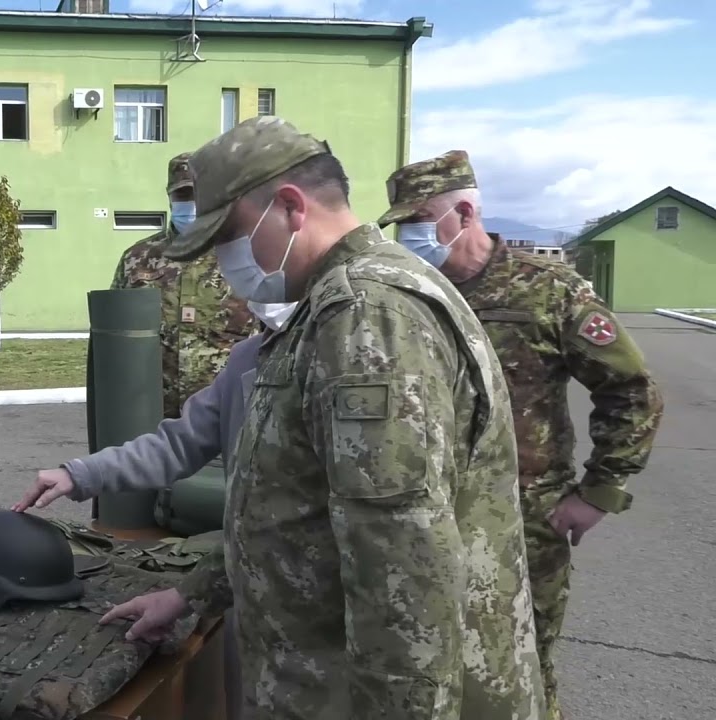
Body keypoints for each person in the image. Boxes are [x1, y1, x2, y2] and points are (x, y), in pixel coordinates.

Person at [101, 116, 546, 720]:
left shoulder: (367, 317)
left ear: (289, 207)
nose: (222, 262)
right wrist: (191, 593)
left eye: (227, 236)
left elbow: (404, 564)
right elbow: (288, 510)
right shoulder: (328, 308)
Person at [377, 150, 665, 720]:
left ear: (463, 212)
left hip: (524, 518)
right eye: (402, 223)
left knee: (524, 664)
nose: (409, 235)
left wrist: (599, 492)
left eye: (418, 219)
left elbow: (630, 390)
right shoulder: (405, 292)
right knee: (425, 664)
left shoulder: (547, 290)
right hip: (423, 515)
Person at [14, 299, 295, 720]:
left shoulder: (353, 359)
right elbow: (177, 443)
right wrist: (80, 474)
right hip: (251, 597)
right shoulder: (249, 359)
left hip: (326, 618)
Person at [110, 152, 259, 420]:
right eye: (183, 195)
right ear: (169, 197)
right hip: (151, 416)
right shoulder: (137, 258)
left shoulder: (248, 258)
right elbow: (114, 337)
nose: (191, 203)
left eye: (199, 195)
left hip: (226, 416)